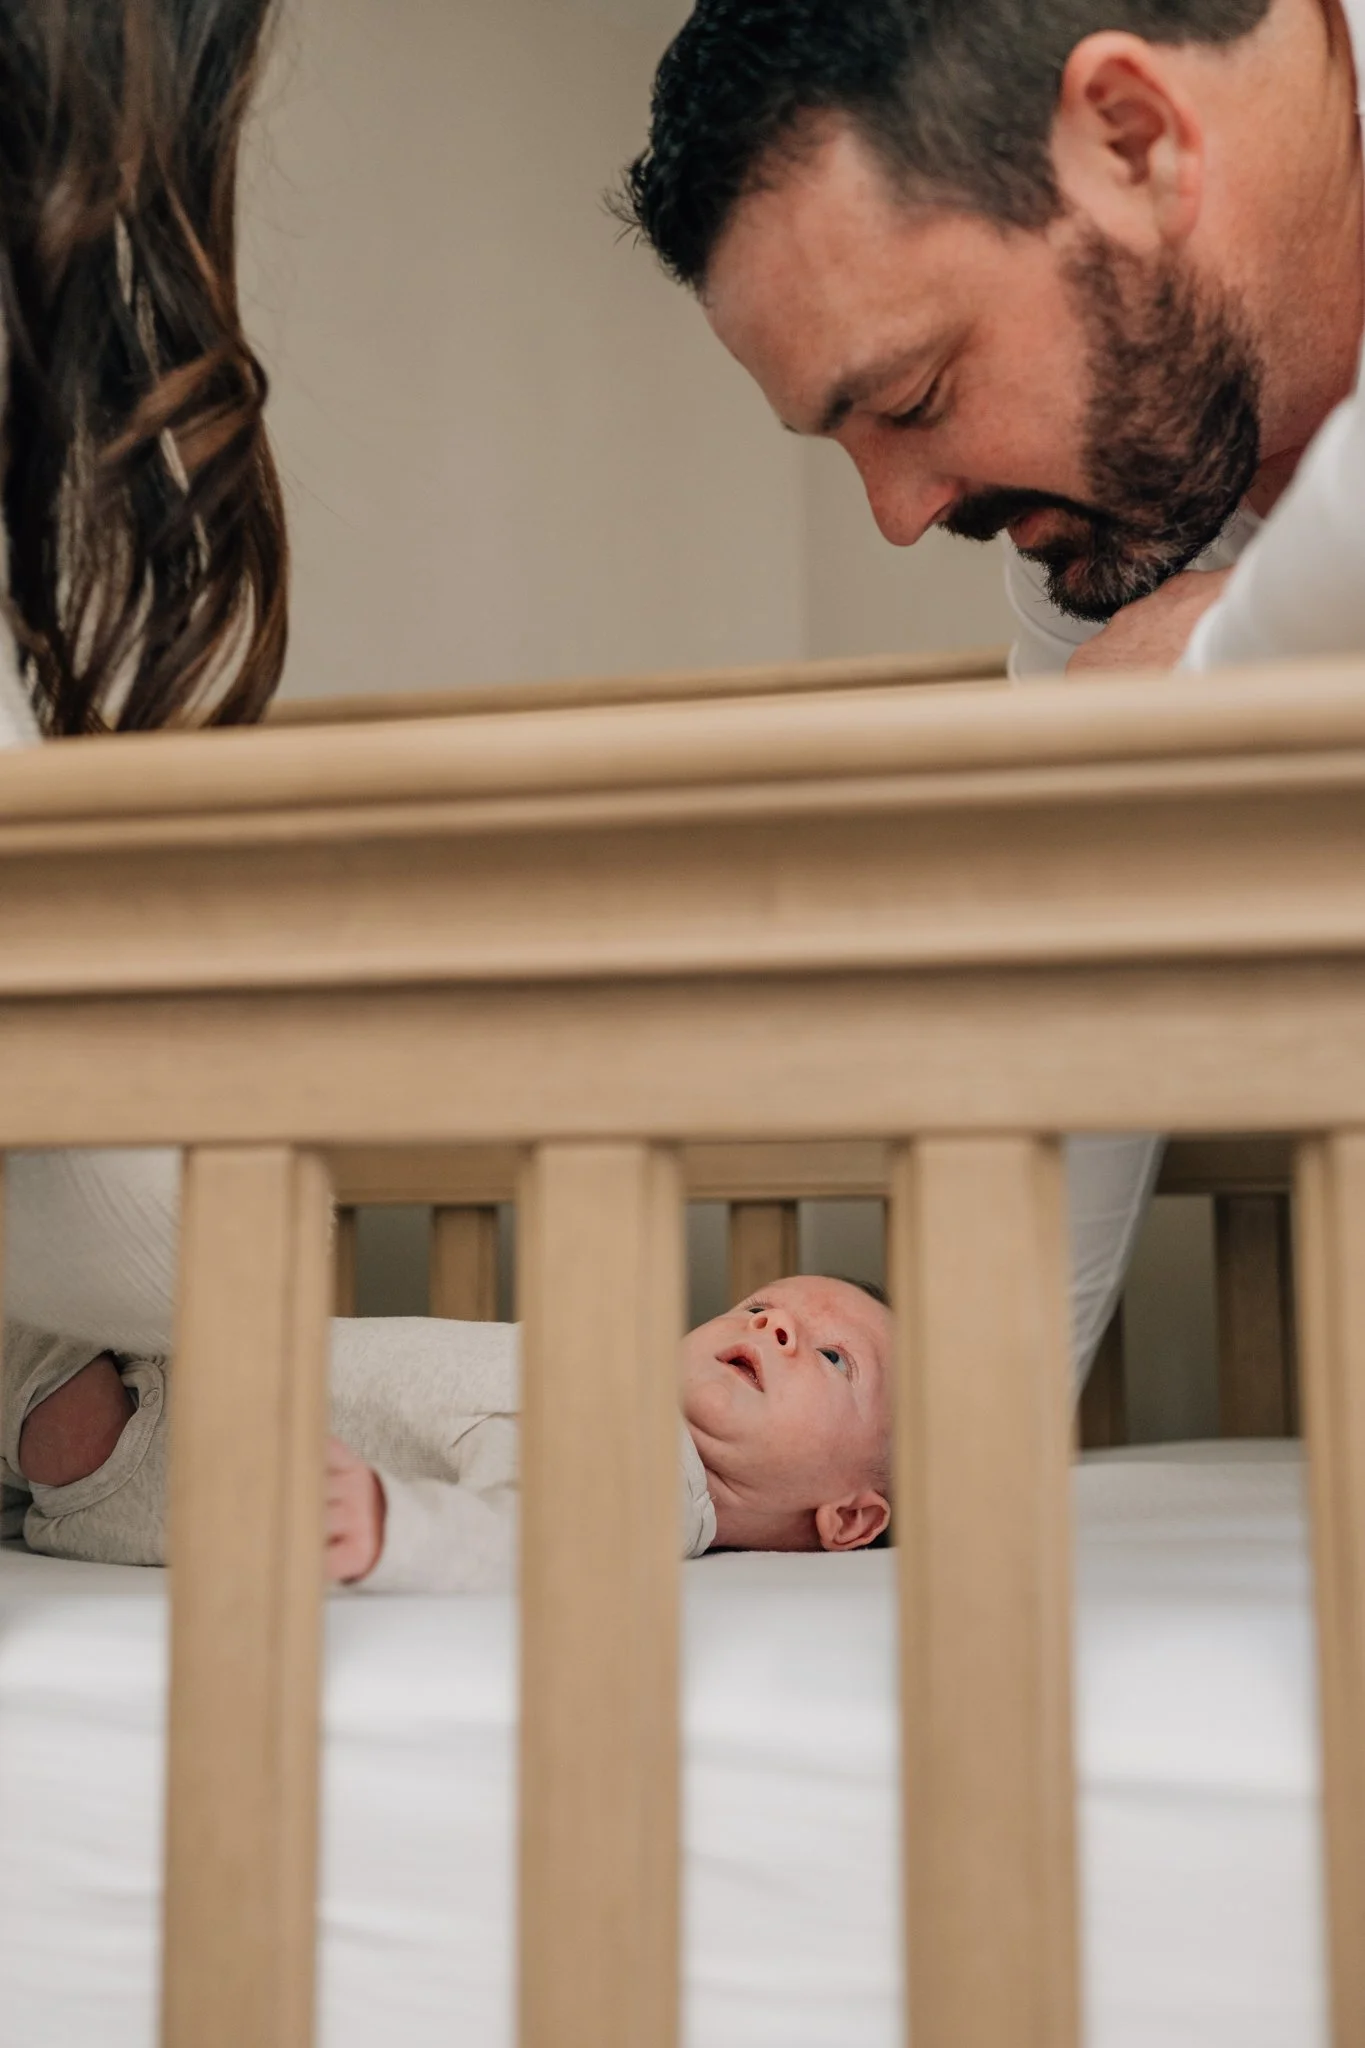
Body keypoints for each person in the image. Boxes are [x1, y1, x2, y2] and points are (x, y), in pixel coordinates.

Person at [616, 0, 1365, 1374]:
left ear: (1132, 142)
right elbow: (1076, 969)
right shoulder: (1115, 515)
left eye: (910, 397)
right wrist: (953, 1442)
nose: (901, 516)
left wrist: (1225, 668)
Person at [2, 1276, 895, 1588]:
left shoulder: (648, 1475)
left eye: (832, 1359)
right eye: (758, 1305)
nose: (776, 1327)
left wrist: (399, 1528)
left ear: (849, 1519)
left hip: (143, 1440)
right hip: (160, 1374)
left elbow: (522, 1538)